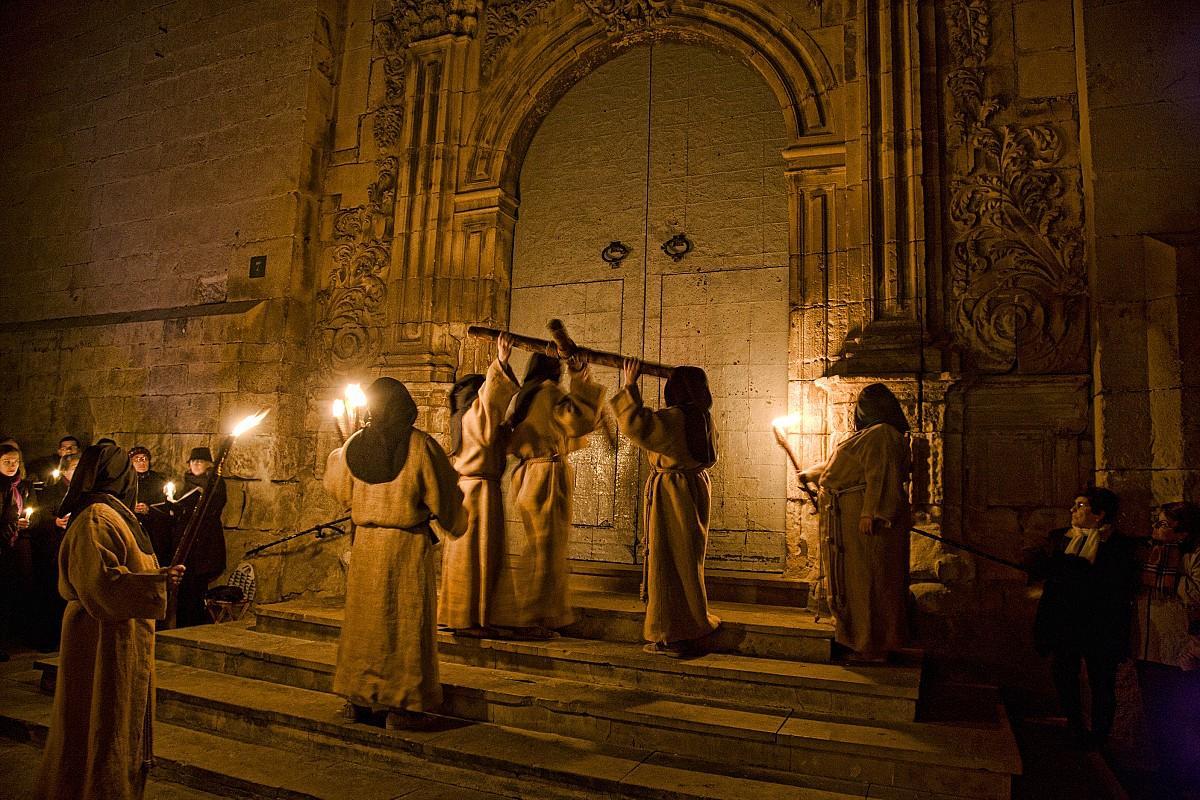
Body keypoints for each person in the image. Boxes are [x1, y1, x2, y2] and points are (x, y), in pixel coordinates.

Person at [35, 444, 185, 800]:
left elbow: (127, 571)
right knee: (98, 722)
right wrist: (157, 583)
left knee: (117, 718)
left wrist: (160, 576)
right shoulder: (96, 518)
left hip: (121, 632)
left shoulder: (114, 514)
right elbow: (99, 583)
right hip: (99, 637)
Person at [323, 377, 467, 730]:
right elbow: (444, 496)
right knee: (403, 626)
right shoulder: (420, 446)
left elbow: (338, 487)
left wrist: (365, 500)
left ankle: (360, 698)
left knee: (366, 627)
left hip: (367, 547)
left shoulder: (355, 446)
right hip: (405, 548)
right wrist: (454, 520)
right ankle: (403, 705)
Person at [784, 383, 912, 663]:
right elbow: (841, 468)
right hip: (849, 520)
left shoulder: (882, 435)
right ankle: (859, 638)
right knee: (856, 580)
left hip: (862, 523)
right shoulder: (867, 436)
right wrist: (812, 473)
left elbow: (880, 474)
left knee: (870, 581)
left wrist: (872, 512)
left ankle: (873, 646)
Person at [613, 358, 721, 657]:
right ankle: (693, 623)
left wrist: (630, 386)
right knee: (688, 562)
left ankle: (669, 633)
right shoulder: (703, 418)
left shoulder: (675, 418)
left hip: (672, 494)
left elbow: (638, 426)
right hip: (695, 489)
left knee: (669, 562)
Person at [504, 350, 605, 639]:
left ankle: (541, 614)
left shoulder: (527, 396)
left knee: (539, 548)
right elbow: (578, 420)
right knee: (546, 553)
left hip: (528, 475)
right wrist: (581, 376)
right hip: (547, 477)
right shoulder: (549, 393)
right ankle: (532, 617)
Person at [1030, 487, 1137, 749]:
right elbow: (1045, 575)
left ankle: (1100, 734)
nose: (1073, 510)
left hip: (1099, 625)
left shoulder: (1118, 546)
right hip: (1065, 622)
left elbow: (1119, 585)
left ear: (1099, 515)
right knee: (1064, 673)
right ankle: (1074, 725)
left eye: (1080, 505)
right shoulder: (1059, 539)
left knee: (1102, 680)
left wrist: (1081, 574)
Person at [439, 332, 521, 637]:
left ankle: (457, 612)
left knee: (463, 558)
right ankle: (478, 615)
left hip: (465, 490)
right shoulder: (475, 415)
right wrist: (501, 359)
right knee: (481, 557)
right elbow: (490, 398)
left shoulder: (459, 420)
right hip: (481, 494)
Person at [1131, 501, 1200, 792]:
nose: (1155, 528)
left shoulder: (1191, 558)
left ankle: (1183, 778)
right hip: (1148, 648)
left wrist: (1169, 578)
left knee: (1180, 720)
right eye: (1156, 523)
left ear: (1182, 534)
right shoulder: (1151, 554)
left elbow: (1197, 594)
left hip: (1178, 652)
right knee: (1156, 718)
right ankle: (1165, 774)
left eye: (1163, 524)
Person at [169, 447, 227, 627]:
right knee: (183, 583)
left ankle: (195, 621)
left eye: (199, 461)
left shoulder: (215, 482)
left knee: (197, 584)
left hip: (204, 540)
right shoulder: (184, 482)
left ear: (208, 464)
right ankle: (181, 621)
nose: (195, 465)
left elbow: (214, 506)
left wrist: (201, 497)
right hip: (184, 538)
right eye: (193, 461)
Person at [29, 453, 79, 651]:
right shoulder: (52, 491)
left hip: (76, 546)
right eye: (75, 467)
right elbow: (40, 514)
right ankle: (49, 637)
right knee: (53, 591)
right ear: (64, 470)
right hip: (55, 547)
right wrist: (55, 521)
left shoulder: (85, 491)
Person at [0, 443, 33, 659]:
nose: (12, 466)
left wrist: (22, 523)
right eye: (6, 462)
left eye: (15, 462)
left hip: (12, 545)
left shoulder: (20, 485)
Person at [128, 445, 171, 564]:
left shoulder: (158, 480)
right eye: (137, 459)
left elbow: (167, 507)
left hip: (154, 531)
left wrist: (149, 510)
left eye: (144, 459)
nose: (141, 462)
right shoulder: (126, 480)